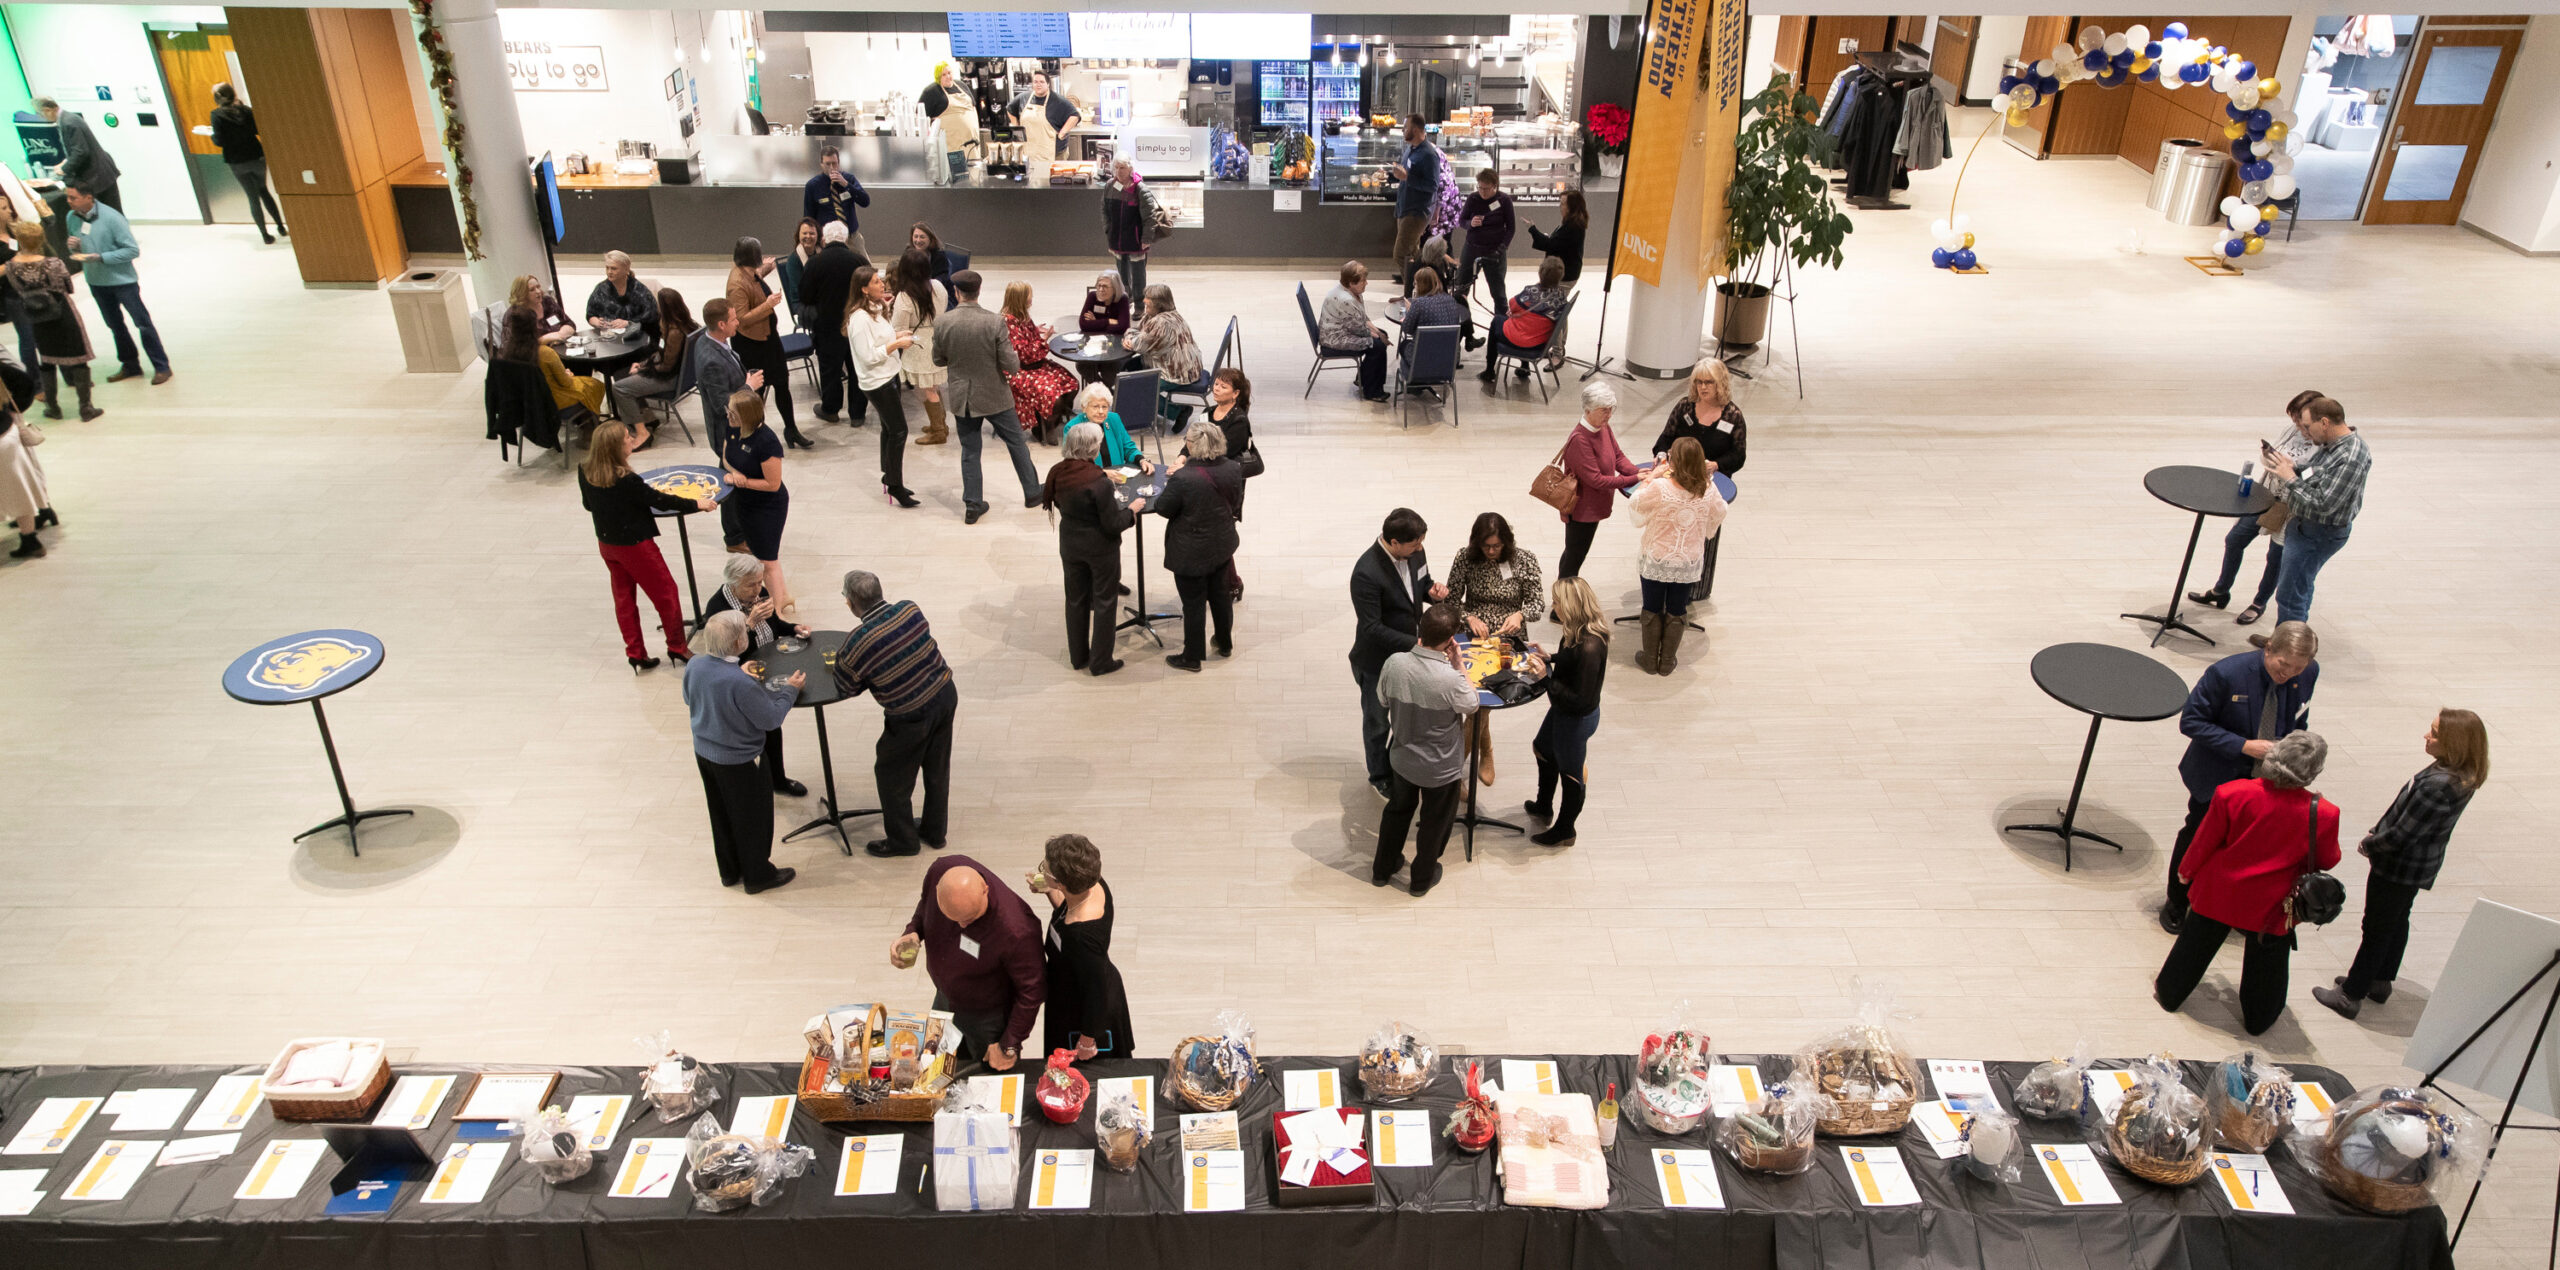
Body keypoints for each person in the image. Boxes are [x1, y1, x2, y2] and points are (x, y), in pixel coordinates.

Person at [2153, 730, 2342, 1037]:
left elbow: (2205, 841)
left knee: (2193, 947)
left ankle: (2170, 995)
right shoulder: (2325, 813)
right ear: (2314, 771)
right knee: (2267, 965)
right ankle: (2259, 1019)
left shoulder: (2232, 793)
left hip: (2220, 892)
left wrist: (2186, 872)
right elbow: (2328, 859)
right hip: (2273, 905)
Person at [2314, 709, 2491, 1020]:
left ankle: (2351, 994)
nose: (2426, 735)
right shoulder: (2459, 772)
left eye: (2435, 733)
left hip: (2398, 867)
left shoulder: (2438, 785)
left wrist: (2370, 843)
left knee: (2376, 928)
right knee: (2396, 921)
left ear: (2454, 743)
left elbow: (2403, 835)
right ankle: (2379, 981)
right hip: (2417, 865)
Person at [2163, 621, 2321, 933]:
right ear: (2268, 649)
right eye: (2283, 664)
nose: (2289, 673)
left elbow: (2299, 716)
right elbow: (2191, 721)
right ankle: (2177, 901)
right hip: (2219, 773)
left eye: (2298, 668)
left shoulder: (2309, 672)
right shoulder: (2226, 674)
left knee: (2247, 843)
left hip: (2269, 780)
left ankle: (2228, 904)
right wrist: (2244, 746)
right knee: (2198, 834)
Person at [833, 570, 959, 858]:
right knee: (937, 769)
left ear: (851, 603)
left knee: (891, 777)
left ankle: (903, 841)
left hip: (910, 714)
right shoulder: (909, 609)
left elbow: (845, 687)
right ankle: (935, 832)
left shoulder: (856, 643)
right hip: (944, 693)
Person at [682, 610, 802, 894]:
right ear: (738, 643)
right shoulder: (740, 683)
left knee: (721, 812)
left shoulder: (695, 665)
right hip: (740, 760)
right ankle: (758, 875)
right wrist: (790, 690)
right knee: (753, 818)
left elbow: (690, 698)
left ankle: (730, 870)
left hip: (705, 753)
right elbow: (770, 719)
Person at [889, 856, 1043, 1070]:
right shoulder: (940, 871)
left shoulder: (1018, 931)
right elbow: (925, 905)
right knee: (937, 1064)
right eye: (953, 917)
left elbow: (1032, 991)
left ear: (985, 890)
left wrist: (1009, 1044)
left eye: (970, 918)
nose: (962, 925)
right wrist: (913, 931)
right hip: (944, 999)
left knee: (984, 1075)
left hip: (986, 1017)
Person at [579, 420, 710, 670]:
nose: (631, 439)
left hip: (607, 545)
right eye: (626, 438)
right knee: (666, 593)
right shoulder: (627, 480)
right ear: (615, 448)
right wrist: (696, 504)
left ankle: (635, 652)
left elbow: (588, 505)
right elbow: (659, 500)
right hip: (636, 547)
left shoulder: (585, 470)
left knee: (624, 599)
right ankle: (677, 647)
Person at [2190, 390, 2324, 626]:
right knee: (2235, 539)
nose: (2297, 426)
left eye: (2301, 421)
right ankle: (2221, 590)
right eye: (2294, 420)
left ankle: (2259, 603)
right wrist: (2268, 456)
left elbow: (2313, 477)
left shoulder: (2323, 444)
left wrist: (2290, 470)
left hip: (2291, 507)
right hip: (2266, 496)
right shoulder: (2292, 430)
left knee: (2275, 557)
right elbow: (2271, 459)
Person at [1371, 604, 1477, 897]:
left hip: (1403, 760)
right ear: (1450, 640)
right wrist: (1458, 665)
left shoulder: (1394, 663)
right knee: (1434, 822)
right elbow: (1472, 705)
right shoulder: (1449, 679)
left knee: (1396, 813)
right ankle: (1420, 880)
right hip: (1439, 768)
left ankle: (1382, 869)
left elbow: (1382, 700)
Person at [1349, 508, 1447, 799]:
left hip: (1407, 656)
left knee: (1408, 717)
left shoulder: (1415, 552)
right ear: (1393, 542)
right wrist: (1418, 644)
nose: (1420, 548)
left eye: (1421, 542)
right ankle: (1379, 775)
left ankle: (1398, 766)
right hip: (1376, 662)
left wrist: (1432, 594)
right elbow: (1372, 628)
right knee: (1378, 723)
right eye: (1414, 544)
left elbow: (1422, 584)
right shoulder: (1366, 573)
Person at [934, 270, 1042, 524]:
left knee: (970, 451)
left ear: (956, 292)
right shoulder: (994, 322)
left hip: (963, 398)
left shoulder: (943, 322)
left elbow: (938, 359)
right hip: (995, 396)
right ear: (979, 291)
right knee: (1016, 443)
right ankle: (1032, 492)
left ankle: (973, 505)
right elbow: (1011, 365)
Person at [1443, 511, 1542, 786]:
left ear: (1506, 542)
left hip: (1507, 643)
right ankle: (1483, 753)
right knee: (1478, 703)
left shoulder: (1525, 559)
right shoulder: (1465, 557)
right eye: (1486, 546)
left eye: (1496, 546)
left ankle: (1455, 773)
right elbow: (1451, 601)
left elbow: (1537, 604)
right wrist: (1468, 617)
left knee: (1481, 705)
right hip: (1472, 639)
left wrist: (1520, 615)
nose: (1490, 551)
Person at [701, 553, 809, 797]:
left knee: (772, 730)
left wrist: (793, 628)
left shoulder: (759, 594)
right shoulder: (718, 608)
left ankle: (777, 778)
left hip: (767, 669)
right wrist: (749, 624)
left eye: (760, 582)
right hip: (740, 678)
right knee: (758, 729)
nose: (758, 589)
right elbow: (727, 652)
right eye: (751, 585)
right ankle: (754, 783)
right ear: (733, 583)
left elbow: (774, 624)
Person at [2261, 396, 2366, 630]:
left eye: (2308, 426)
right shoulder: (2333, 445)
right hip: (2304, 528)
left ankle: (2288, 648)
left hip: (2319, 532)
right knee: (2298, 587)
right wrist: (2294, 468)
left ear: (2324, 422)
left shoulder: (2349, 458)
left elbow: (2323, 504)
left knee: (2291, 594)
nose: (2305, 432)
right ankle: (2285, 641)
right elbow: (2316, 473)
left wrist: (2289, 478)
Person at [1629, 437, 1729, 675]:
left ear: (1674, 461)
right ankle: (1667, 661)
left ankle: (1650, 659)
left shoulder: (1661, 487)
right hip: (1687, 560)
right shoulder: (1708, 488)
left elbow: (1636, 504)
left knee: (1652, 607)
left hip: (1657, 558)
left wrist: (1652, 477)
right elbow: (1720, 511)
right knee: (1677, 609)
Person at [1152, 422, 1242, 672]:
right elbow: (1236, 501)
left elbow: (1163, 508)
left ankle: (1191, 657)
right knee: (1221, 597)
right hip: (1222, 544)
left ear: (1193, 446)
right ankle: (1224, 643)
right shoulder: (1233, 468)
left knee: (1193, 603)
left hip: (1190, 550)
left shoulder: (1183, 477)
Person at [1045, 422, 1133, 677]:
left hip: (1070, 544)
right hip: (1100, 548)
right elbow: (1113, 524)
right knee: (1105, 602)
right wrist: (1132, 512)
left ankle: (1078, 656)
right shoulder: (1098, 482)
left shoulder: (1057, 472)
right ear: (1092, 449)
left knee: (1075, 600)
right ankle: (1101, 661)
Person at [1033, 834, 1132, 1060]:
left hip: (1081, 1007)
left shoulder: (1081, 936)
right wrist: (1048, 888)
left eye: (1044, 869)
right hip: (1073, 984)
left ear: (1062, 883)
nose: (1042, 871)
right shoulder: (1093, 883)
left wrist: (1087, 1042)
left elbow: (1097, 992)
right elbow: (1067, 907)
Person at [1524, 577, 1606, 846]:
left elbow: (1579, 700)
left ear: (1571, 605)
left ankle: (1565, 830)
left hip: (1576, 718)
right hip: (1564, 710)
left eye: (1557, 602)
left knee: (1571, 774)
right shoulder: (1576, 631)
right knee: (1543, 749)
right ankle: (1543, 806)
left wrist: (1544, 679)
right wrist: (1551, 658)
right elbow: (1571, 659)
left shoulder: (1590, 646)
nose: (1554, 606)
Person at [62, 187, 168, 386]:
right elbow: (77, 247)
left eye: (73, 197)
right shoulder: (72, 217)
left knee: (142, 324)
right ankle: (130, 365)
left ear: (88, 197)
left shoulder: (112, 218)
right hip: (96, 282)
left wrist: (102, 257)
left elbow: (132, 250)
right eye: (68, 197)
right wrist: (73, 246)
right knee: (115, 326)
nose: (68, 201)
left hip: (123, 283)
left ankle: (162, 366)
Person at [5, 221, 99, 421]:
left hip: (36, 317)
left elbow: (18, 289)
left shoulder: (11, 266)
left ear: (19, 240)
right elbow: (67, 287)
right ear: (41, 239)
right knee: (78, 357)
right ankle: (86, 407)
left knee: (47, 360)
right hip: (62, 314)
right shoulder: (53, 263)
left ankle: (52, 407)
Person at [845, 264, 918, 507]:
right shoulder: (859, 319)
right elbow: (868, 356)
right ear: (864, 289)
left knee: (889, 429)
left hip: (890, 374)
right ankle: (895, 485)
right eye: (876, 281)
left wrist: (897, 336)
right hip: (877, 382)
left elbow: (880, 339)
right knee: (899, 431)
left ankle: (889, 474)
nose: (882, 284)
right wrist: (896, 345)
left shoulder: (876, 308)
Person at [727, 237, 808, 450]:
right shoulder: (736, 284)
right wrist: (768, 304)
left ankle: (791, 429)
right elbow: (742, 319)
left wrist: (765, 270)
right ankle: (754, 435)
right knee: (757, 392)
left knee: (782, 384)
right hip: (752, 346)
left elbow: (753, 283)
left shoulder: (749, 272)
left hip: (768, 339)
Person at [718, 391, 796, 614]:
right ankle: (783, 597)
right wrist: (735, 473)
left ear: (747, 416)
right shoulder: (733, 428)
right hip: (744, 503)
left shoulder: (766, 441)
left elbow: (773, 484)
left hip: (768, 507)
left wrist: (743, 481)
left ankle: (776, 611)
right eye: (728, 411)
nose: (728, 416)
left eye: (733, 413)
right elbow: (726, 457)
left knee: (767, 561)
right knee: (762, 555)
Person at [1554, 381, 1640, 580]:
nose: (1608, 415)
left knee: (1575, 553)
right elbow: (1596, 480)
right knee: (1574, 555)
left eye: (1611, 409)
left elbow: (1617, 456)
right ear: (1588, 410)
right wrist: (1633, 478)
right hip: (1582, 510)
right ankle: (1564, 596)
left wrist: (1639, 472)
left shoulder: (1603, 427)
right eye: (1604, 410)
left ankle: (1566, 591)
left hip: (1595, 504)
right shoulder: (1580, 439)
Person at [800, 221, 866, 427]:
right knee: (857, 368)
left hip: (827, 325)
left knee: (830, 369)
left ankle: (830, 410)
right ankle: (857, 414)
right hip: (856, 324)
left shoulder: (814, 263)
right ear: (845, 238)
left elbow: (805, 296)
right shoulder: (859, 260)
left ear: (824, 239)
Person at [206, 83, 284, 243]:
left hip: (236, 160)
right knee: (264, 190)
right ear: (233, 94)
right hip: (256, 155)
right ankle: (281, 227)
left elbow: (219, 141)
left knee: (252, 197)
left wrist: (211, 135)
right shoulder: (246, 110)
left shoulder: (216, 115)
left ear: (217, 98)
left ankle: (265, 235)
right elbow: (258, 129)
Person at [1000, 281, 1078, 439]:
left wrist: (1035, 330)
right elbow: (1024, 355)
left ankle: (1053, 418)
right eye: (1029, 296)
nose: (1032, 299)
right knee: (1053, 397)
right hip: (1020, 370)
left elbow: (1026, 339)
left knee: (1072, 384)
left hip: (1036, 365)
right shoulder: (1007, 322)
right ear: (1020, 299)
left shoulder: (1022, 315)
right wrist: (1043, 339)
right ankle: (1043, 428)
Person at [609, 287, 695, 430]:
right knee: (621, 374)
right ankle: (647, 417)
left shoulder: (675, 332)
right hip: (679, 375)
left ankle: (640, 431)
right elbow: (661, 353)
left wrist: (643, 370)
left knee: (619, 388)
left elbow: (666, 366)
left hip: (670, 379)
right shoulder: (687, 324)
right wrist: (642, 364)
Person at [890, 247, 949, 447]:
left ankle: (938, 431)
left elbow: (899, 328)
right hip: (938, 339)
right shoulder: (938, 286)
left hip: (918, 345)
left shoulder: (905, 296)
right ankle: (940, 424)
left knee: (926, 389)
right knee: (933, 386)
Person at [0, 341, 54, 558]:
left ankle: (41, 518)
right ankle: (30, 537)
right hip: (7, 434)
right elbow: (22, 379)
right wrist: (13, 412)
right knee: (20, 487)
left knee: (16, 487)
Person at [1481, 255, 1569, 382]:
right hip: (1540, 345)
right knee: (1528, 325)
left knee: (1497, 321)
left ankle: (1489, 371)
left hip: (1521, 341)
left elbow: (1512, 304)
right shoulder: (1561, 296)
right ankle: (1524, 367)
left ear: (1540, 272)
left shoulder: (1531, 291)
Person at [1205, 369, 1253, 600]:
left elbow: (1221, 454)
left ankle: (1233, 583)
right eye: (1216, 384)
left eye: (1223, 387)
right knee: (1211, 536)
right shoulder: (1207, 413)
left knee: (1220, 537)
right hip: (1204, 481)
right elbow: (1191, 441)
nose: (1216, 389)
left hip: (1226, 487)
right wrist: (1183, 456)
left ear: (1235, 394)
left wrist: (1195, 456)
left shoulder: (1239, 421)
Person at [692, 297, 759, 456]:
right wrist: (749, 386)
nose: (737, 322)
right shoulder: (711, 362)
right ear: (721, 325)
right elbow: (721, 404)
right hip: (729, 434)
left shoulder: (706, 339)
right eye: (734, 319)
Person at [1319, 261, 1390, 403]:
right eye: (1363, 281)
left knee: (1381, 335)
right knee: (1378, 346)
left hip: (1343, 330)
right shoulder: (1346, 300)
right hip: (1336, 338)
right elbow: (1359, 329)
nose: (1366, 283)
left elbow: (1362, 318)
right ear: (1351, 283)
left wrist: (1378, 332)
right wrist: (1377, 336)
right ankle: (1372, 391)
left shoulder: (1352, 292)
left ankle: (1364, 378)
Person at [1455, 168, 1515, 336]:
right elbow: (1461, 220)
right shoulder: (1473, 198)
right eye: (1480, 187)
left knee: (1498, 292)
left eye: (1486, 188)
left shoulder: (1504, 200)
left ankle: (1501, 333)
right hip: (1472, 247)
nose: (1482, 192)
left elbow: (1511, 228)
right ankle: (1462, 332)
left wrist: (1501, 249)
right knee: (1461, 289)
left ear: (1495, 186)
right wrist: (1470, 223)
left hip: (1494, 251)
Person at [1127, 283, 1202, 415]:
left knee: (1136, 389)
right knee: (1128, 368)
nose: (1144, 300)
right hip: (1184, 366)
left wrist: (1130, 338)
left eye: (1148, 298)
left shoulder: (1162, 323)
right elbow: (1135, 331)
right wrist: (1131, 337)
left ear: (1158, 303)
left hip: (1177, 373)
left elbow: (1138, 345)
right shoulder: (1157, 315)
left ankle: (1178, 412)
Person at [1386, 115, 1440, 295]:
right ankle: (1422, 290)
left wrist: (1407, 177)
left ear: (1415, 130)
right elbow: (1406, 175)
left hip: (1416, 212)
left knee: (1400, 254)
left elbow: (1432, 186)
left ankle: (1413, 293)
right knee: (1413, 254)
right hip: (1404, 207)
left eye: (1405, 127)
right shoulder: (1411, 149)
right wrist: (1393, 175)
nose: (1403, 131)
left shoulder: (1429, 155)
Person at [36, 98, 120, 210]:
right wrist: (65, 162)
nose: (41, 117)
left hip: (98, 175)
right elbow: (79, 147)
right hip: (98, 173)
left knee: (111, 212)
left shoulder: (69, 122)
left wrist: (64, 169)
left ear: (48, 110)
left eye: (40, 113)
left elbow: (81, 152)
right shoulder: (68, 119)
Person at [532, 306, 606, 423]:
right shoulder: (546, 353)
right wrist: (567, 374)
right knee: (596, 384)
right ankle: (590, 422)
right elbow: (565, 382)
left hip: (536, 404)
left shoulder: (515, 354)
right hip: (558, 401)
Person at [1100, 157, 1160, 298]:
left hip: (1136, 240)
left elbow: (1150, 217)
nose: (1119, 171)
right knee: (1122, 275)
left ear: (1130, 169)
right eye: (1116, 168)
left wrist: (1146, 239)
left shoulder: (1140, 189)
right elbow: (1104, 210)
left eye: (1122, 168)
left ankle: (1139, 304)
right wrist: (1108, 229)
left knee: (1138, 276)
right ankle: (1125, 299)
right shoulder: (1110, 185)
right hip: (1117, 239)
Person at [801, 145, 871, 255]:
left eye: (834, 163)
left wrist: (846, 184)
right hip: (826, 239)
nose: (832, 167)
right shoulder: (813, 185)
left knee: (865, 265)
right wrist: (815, 240)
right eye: (827, 164)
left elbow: (865, 201)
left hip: (851, 236)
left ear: (839, 162)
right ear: (821, 164)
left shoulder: (849, 179)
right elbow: (809, 217)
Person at [1399, 266, 1470, 369]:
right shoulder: (1451, 300)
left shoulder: (1418, 304)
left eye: (1415, 283)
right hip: (1448, 359)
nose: (1414, 286)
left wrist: (1409, 311)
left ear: (1421, 285)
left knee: (1404, 345)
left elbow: (1407, 329)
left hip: (1423, 358)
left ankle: (1411, 374)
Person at [922, 62, 977, 185]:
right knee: (959, 184)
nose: (948, 76)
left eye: (949, 73)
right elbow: (921, 116)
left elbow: (973, 106)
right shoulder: (931, 92)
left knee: (975, 181)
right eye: (943, 75)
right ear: (938, 77)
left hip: (971, 145)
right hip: (953, 149)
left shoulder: (962, 85)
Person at [586, 250, 659, 340]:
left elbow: (652, 316)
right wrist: (596, 322)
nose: (609, 272)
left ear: (626, 269)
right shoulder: (601, 289)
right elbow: (590, 314)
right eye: (607, 268)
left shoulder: (639, 290)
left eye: (614, 268)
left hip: (637, 338)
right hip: (608, 338)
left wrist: (629, 323)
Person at [1011, 69, 1082, 160]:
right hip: (1032, 155)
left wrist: (1062, 133)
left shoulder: (1057, 100)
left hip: (1054, 155)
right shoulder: (1025, 97)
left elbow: (1075, 115)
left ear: (1048, 84)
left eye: (1042, 82)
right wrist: (1017, 128)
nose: (1038, 84)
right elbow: (1010, 109)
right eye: (1035, 82)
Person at [1070, 382, 1143, 469]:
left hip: (1117, 474)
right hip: (1091, 476)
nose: (1101, 411)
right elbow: (1075, 464)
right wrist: (1102, 473)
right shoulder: (1073, 427)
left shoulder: (1114, 419)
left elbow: (1128, 447)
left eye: (1104, 407)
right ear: (1084, 407)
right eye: (1095, 407)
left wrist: (1141, 460)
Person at [1527, 189, 1588, 287]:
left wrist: (1532, 229)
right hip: (1561, 274)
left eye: (1563, 204)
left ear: (1571, 207)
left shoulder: (1573, 227)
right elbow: (1556, 243)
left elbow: (1551, 245)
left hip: (1564, 276)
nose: (1560, 206)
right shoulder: (1570, 224)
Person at [509, 273, 575, 345]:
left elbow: (569, 323)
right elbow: (522, 346)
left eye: (538, 287)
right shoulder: (517, 314)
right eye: (532, 290)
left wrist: (560, 334)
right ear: (522, 294)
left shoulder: (548, 302)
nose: (538, 291)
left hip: (561, 347)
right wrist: (546, 339)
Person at [774, 218, 820, 319]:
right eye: (804, 233)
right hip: (802, 303)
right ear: (798, 235)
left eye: (812, 233)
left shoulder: (822, 254)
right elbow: (798, 291)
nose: (808, 236)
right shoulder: (793, 260)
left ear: (818, 236)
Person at [907, 221, 956, 306]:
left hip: (938, 297)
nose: (918, 240)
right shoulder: (908, 252)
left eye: (922, 237)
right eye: (915, 236)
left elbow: (938, 284)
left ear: (931, 239)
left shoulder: (939, 256)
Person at [1078, 270, 1131, 337]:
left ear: (1115, 288)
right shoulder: (1092, 296)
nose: (1101, 290)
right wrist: (1108, 321)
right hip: (1095, 338)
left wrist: (1095, 322)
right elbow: (1083, 324)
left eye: (1105, 286)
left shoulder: (1122, 299)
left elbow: (1123, 327)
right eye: (1099, 286)